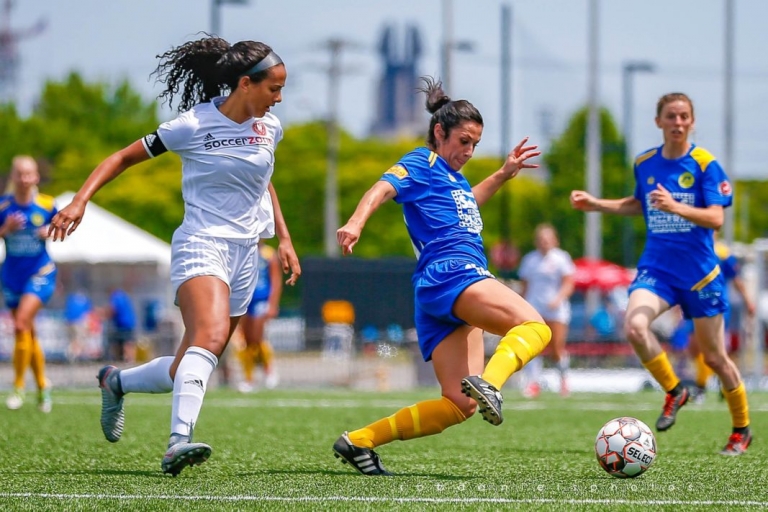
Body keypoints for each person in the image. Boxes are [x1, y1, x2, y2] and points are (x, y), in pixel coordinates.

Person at [48, 35, 301, 475]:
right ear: (245, 83)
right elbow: (122, 158)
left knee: (190, 364)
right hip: (202, 243)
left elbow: (263, 181)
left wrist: (284, 238)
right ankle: (177, 442)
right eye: (273, 88)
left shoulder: (270, 128)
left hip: (246, 254)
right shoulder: (192, 125)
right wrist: (79, 201)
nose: (279, 98)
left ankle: (116, 381)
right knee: (209, 337)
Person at [332, 77, 550, 476]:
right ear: (438, 132)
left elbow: (468, 204)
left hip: (437, 291)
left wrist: (502, 174)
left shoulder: (454, 180)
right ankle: (492, 383)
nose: (468, 151)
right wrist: (356, 221)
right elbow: (382, 188)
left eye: (475, 144)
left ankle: (359, 440)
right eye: (463, 141)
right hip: (453, 273)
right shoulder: (423, 162)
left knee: (458, 405)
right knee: (536, 328)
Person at [570, 92, 751, 455]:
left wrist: (676, 207)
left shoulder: (705, 164)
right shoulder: (645, 162)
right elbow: (638, 204)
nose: (677, 122)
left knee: (715, 358)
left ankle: (741, 429)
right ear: (659, 122)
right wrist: (597, 204)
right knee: (635, 326)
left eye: (684, 116)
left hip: (700, 275)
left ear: (692, 122)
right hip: (657, 270)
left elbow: (716, 218)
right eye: (671, 116)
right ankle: (674, 389)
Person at [1, 155, 57, 413]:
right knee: (27, 332)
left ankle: (18, 387)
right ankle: (44, 386)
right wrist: (6, 229)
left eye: (29, 174)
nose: (24, 179)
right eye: (20, 174)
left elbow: (63, 228)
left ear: (36, 177)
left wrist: (51, 231)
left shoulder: (47, 204)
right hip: (12, 276)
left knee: (21, 323)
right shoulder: (4, 206)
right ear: (13, 176)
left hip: (40, 272)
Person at [684, 236, 756, 402]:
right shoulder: (692, 248)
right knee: (693, 348)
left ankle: (702, 387)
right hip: (694, 303)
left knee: (714, 350)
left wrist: (747, 301)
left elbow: (736, 279)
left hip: (715, 305)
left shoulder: (723, 252)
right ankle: (721, 378)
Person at [517, 223, 575, 398]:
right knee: (534, 347)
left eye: (547, 239)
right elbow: (525, 286)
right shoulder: (530, 260)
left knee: (556, 348)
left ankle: (563, 379)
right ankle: (533, 382)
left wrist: (558, 299)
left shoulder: (561, 258)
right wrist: (521, 304)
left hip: (556, 310)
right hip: (535, 307)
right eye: (541, 239)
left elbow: (568, 283)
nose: (544, 243)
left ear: (555, 240)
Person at [237, 241, 283, 392]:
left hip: (261, 300)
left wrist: (273, 304)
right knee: (247, 340)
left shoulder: (268, 254)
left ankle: (269, 370)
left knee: (257, 337)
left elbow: (276, 281)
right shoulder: (241, 251)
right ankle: (249, 378)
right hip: (245, 300)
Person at [106, 287, 137, 363]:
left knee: (125, 343)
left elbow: (113, 310)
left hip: (123, 324)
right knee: (127, 342)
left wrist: (103, 314)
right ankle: (129, 359)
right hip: (129, 323)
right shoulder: (124, 296)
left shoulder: (116, 297)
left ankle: (126, 359)